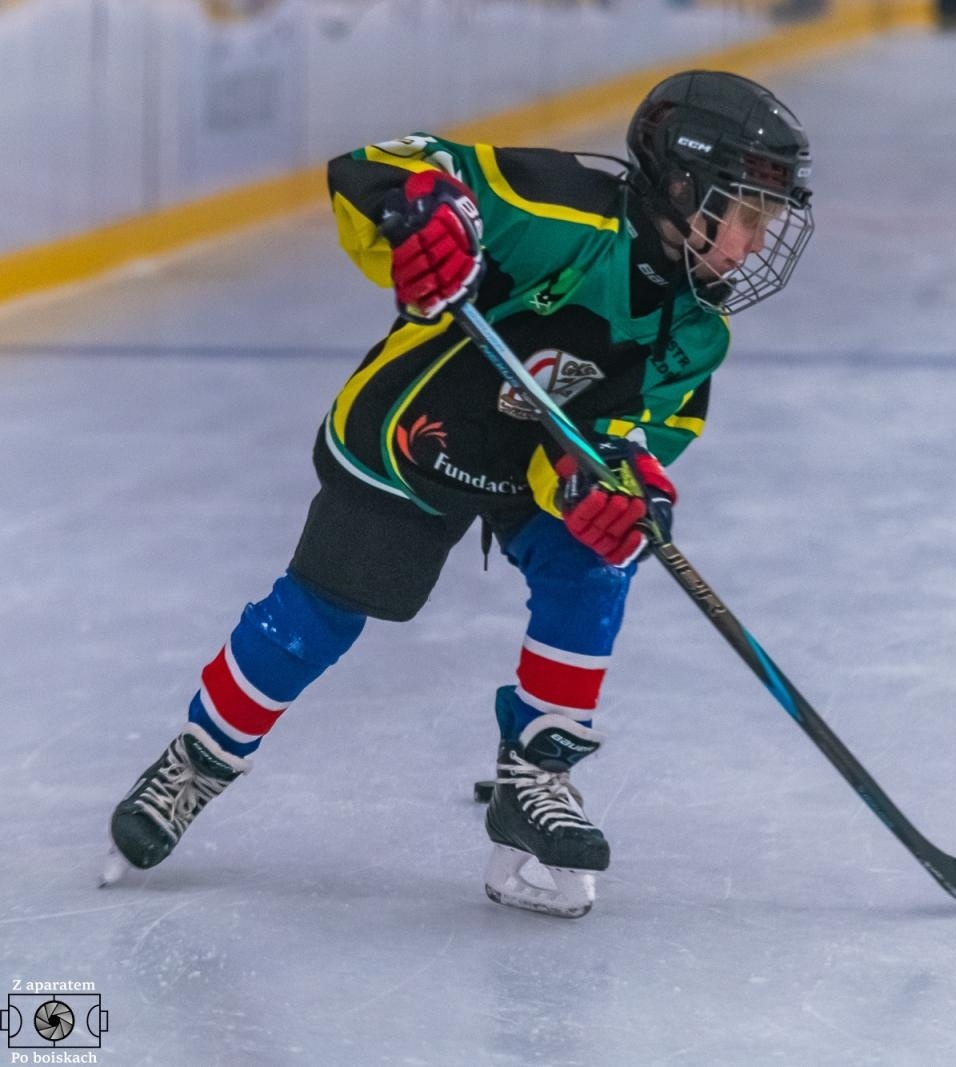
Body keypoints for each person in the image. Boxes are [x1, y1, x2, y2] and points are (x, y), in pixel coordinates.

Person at [102, 70, 816, 917]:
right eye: (740, 213)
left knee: (600, 555)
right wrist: (426, 217)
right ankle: (197, 758)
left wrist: (609, 477)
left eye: (763, 222)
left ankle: (536, 775)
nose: (745, 245)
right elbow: (378, 168)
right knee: (316, 617)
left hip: (529, 471)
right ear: (681, 182)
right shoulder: (556, 209)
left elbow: (640, 431)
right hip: (417, 439)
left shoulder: (696, 329)